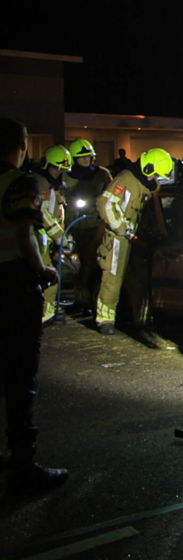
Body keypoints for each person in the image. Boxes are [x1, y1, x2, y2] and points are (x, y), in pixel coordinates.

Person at [0, 118, 68, 496]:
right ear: (21, 144)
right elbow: (24, 235)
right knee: (20, 377)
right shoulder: (21, 183)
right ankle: (23, 467)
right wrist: (43, 270)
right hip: (15, 285)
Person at [95, 148, 174, 337]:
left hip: (136, 237)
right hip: (118, 237)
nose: (157, 178)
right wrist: (121, 227)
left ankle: (141, 319)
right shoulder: (125, 179)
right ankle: (105, 320)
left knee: (139, 278)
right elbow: (105, 203)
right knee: (113, 278)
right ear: (147, 168)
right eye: (156, 174)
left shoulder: (148, 184)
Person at [64, 139, 113, 313]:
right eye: (81, 157)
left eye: (88, 156)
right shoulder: (66, 175)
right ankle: (78, 297)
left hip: (94, 226)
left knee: (91, 263)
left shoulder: (102, 174)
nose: (85, 160)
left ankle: (87, 299)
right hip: (72, 226)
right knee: (73, 265)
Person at [31, 146, 72, 324]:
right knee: (47, 275)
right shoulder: (36, 182)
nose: (58, 172)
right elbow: (41, 213)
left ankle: (47, 312)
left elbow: (59, 211)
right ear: (46, 165)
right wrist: (59, 236)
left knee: (52, 275)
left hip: (51, 239)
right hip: (39, 236)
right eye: (56, 168)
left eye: (62, 169)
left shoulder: (56, 185)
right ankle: (43, 315)